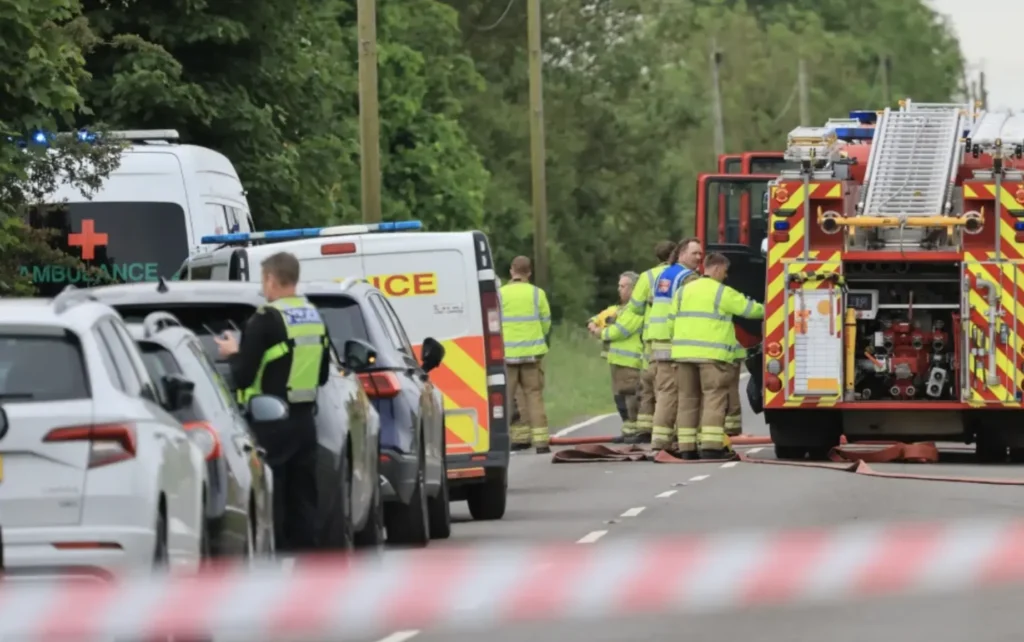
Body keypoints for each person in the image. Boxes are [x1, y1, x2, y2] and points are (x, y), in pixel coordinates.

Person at [214, 251, 331, 551]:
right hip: (306, 422)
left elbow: (242, 376)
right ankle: (307, 566)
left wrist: (232, 352)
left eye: (262, 280)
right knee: (304, 498)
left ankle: (275, 566)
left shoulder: (265, 320)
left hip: (269, 424)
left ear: (270, 278)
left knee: (272, 495)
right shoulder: (314, 317)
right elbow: (322, 375)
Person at [670, 252, 764, 459]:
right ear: (719, 268)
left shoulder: (682, 292)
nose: (726, 276)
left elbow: (671, 320)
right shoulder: (722, 292)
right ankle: (711, 447)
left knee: (687, 399)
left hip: (682, 355)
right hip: (711, 357)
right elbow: (750, 310)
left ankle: (686, 448)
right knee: (714, 399)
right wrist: (772, 308)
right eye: (725, 272)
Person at [645, 237, 703, 450]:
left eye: (700, 253)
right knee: (673, 393)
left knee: (665, 391)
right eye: (694, 253)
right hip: (674, 341)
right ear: (681, 254)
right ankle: (662, 441)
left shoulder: (664, 274)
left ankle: (663, 439)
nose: (699, 257)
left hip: (658, 340)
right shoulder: (689, 278)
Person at [500, 256, 552, 453]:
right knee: (534, 396)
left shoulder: (500, 294)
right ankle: (541, 443)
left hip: (508, 355)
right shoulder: (537, 294)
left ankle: (500, 441)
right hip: (532, 354)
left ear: (512, 270)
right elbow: (546, 322)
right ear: (529, 273)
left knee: (505, 398)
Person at [627, 240, 677, 439]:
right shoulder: (682, 275)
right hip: (675, 337)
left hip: (651, 337)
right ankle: (669, 429)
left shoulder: (647, 276)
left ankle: (646, 428)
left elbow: (635, 307)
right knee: (670, 386)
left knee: (648, 384)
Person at [591, 271, 644, 443]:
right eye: (619, 286)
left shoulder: (636, 310)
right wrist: (593, 324)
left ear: (634, 289)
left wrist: (600, 332)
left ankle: (634, 431)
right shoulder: (620, 309)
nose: (619, 290)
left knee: (631, 397)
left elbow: (620, 331)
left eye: (623, 286)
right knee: (620, 397)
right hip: (617, 361)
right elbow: (600, 317)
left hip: (630, 362)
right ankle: (628, 430)